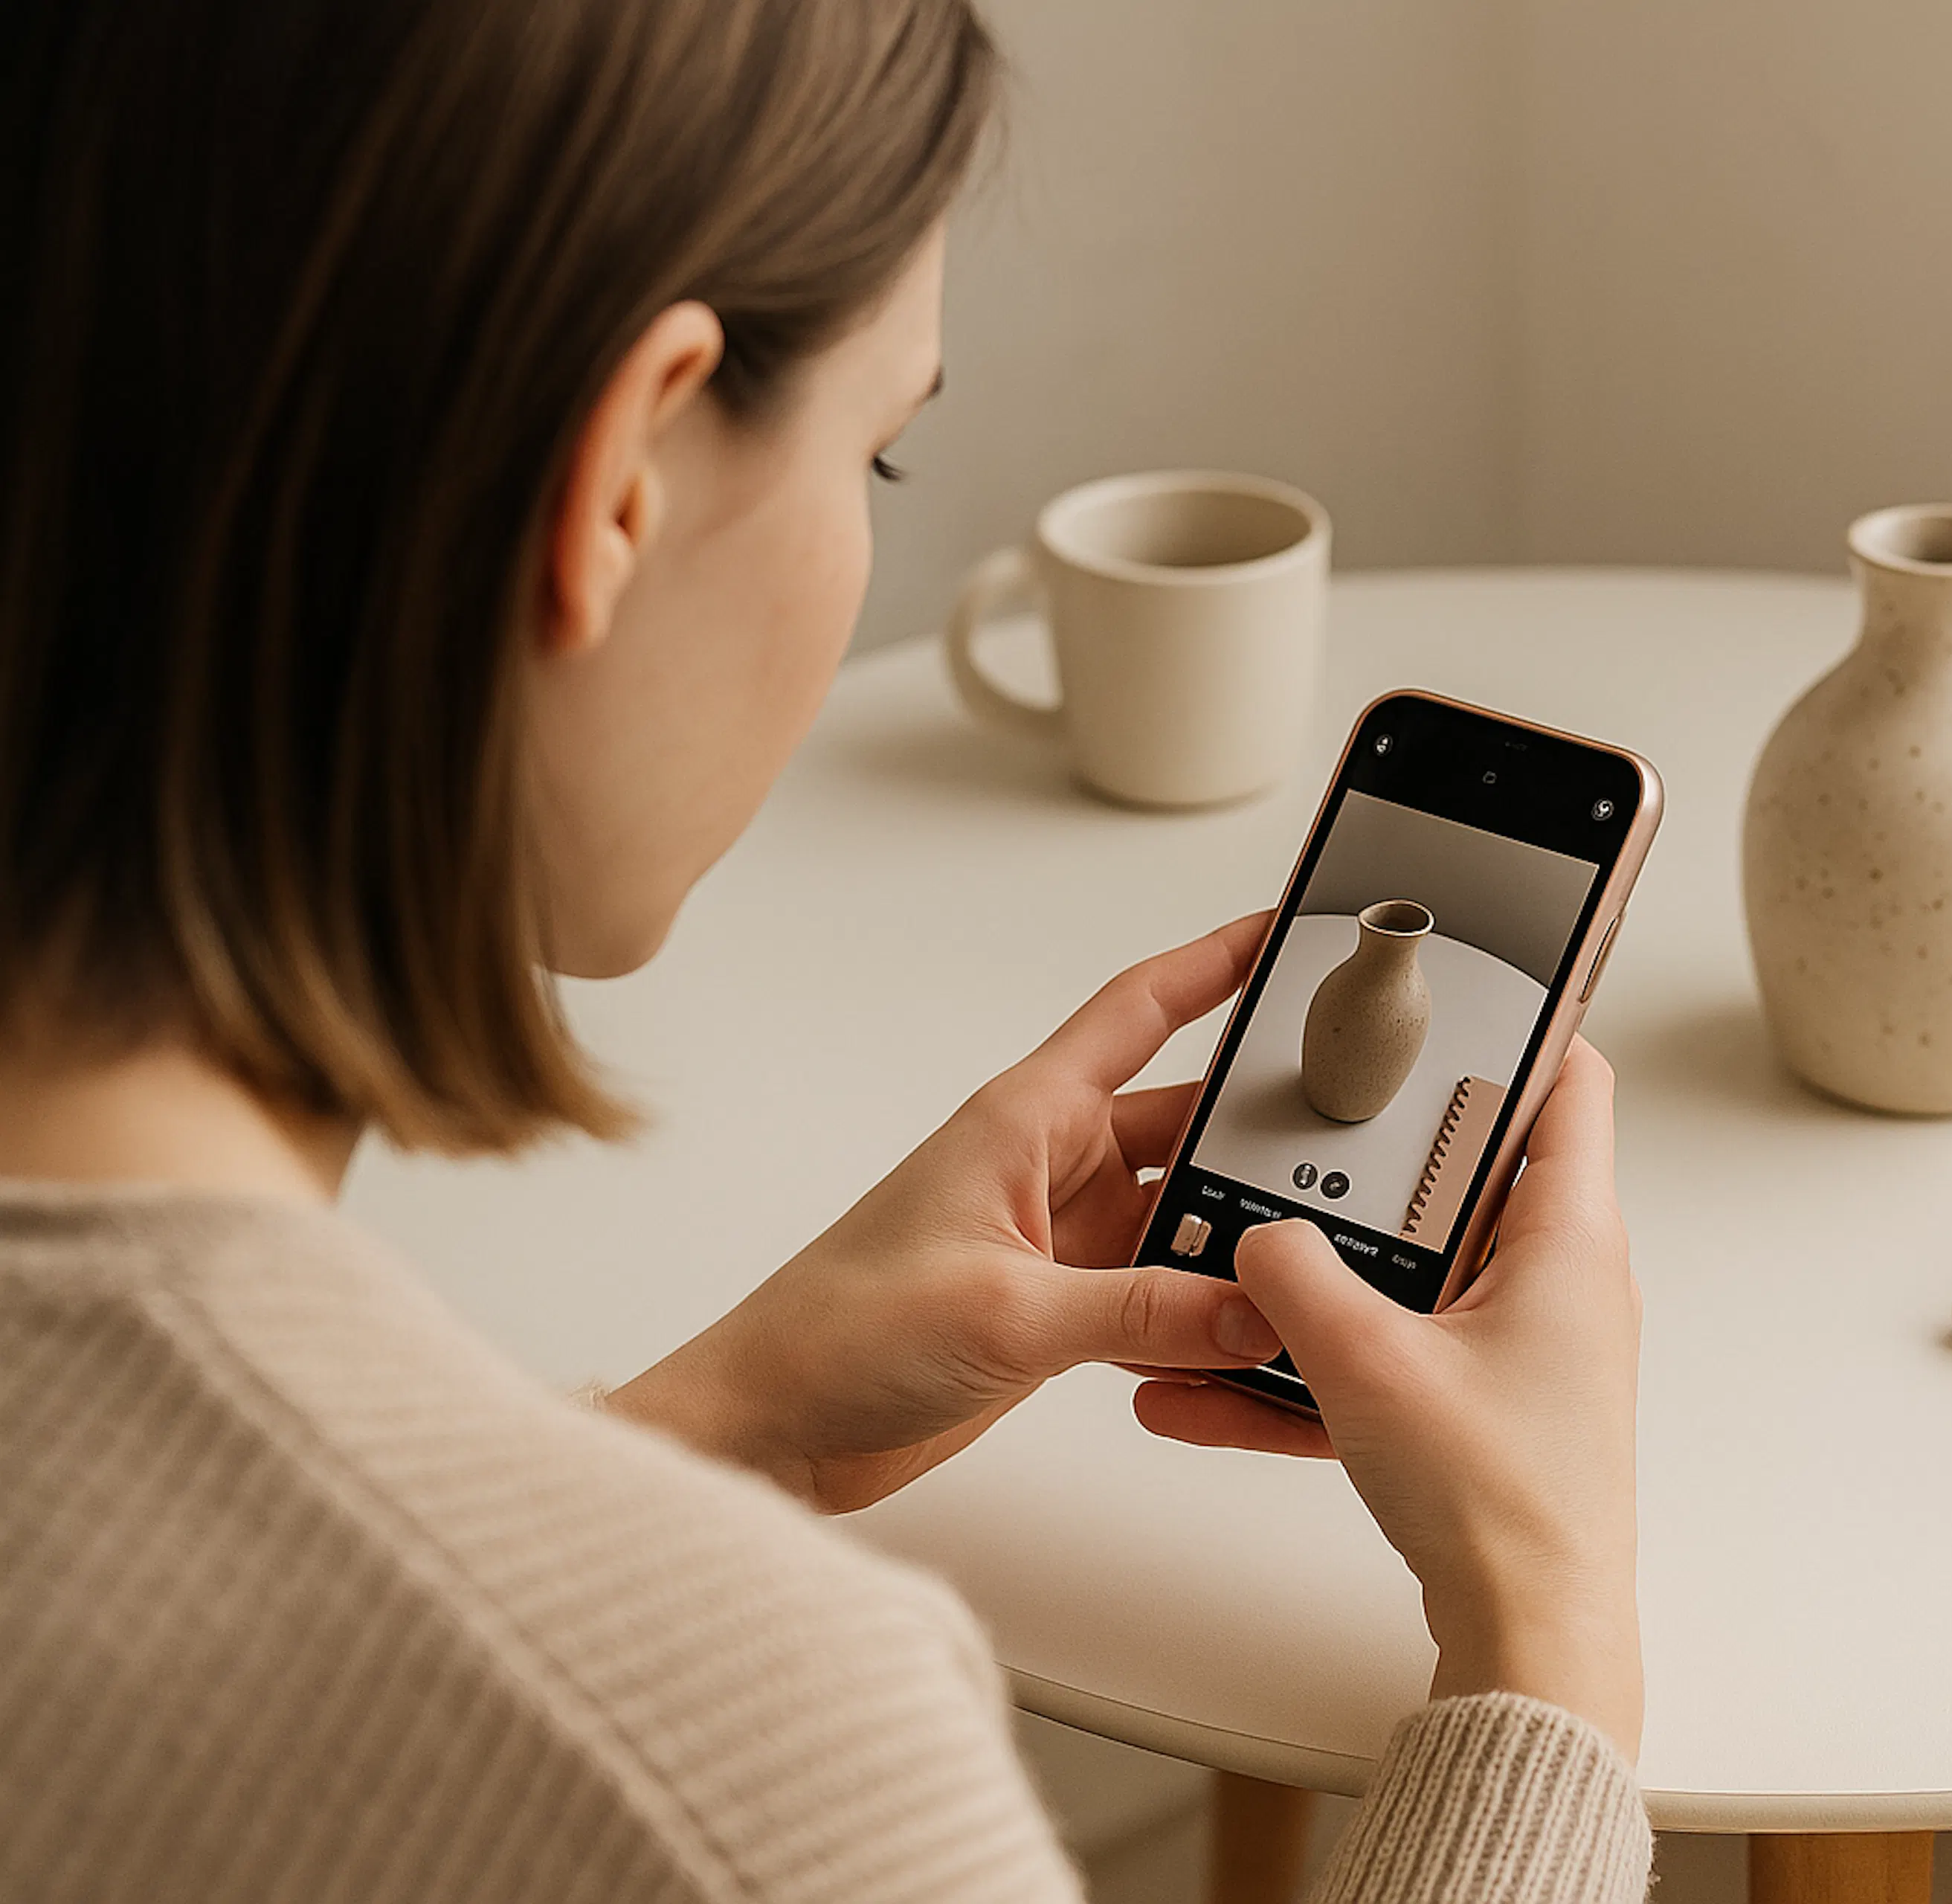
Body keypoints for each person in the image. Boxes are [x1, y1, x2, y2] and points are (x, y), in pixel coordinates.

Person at [0, 4, 1650, 1900]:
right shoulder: (756, 1781)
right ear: (623, 475)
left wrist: (704, 1435)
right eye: (879, 457)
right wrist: (1548, 1639)